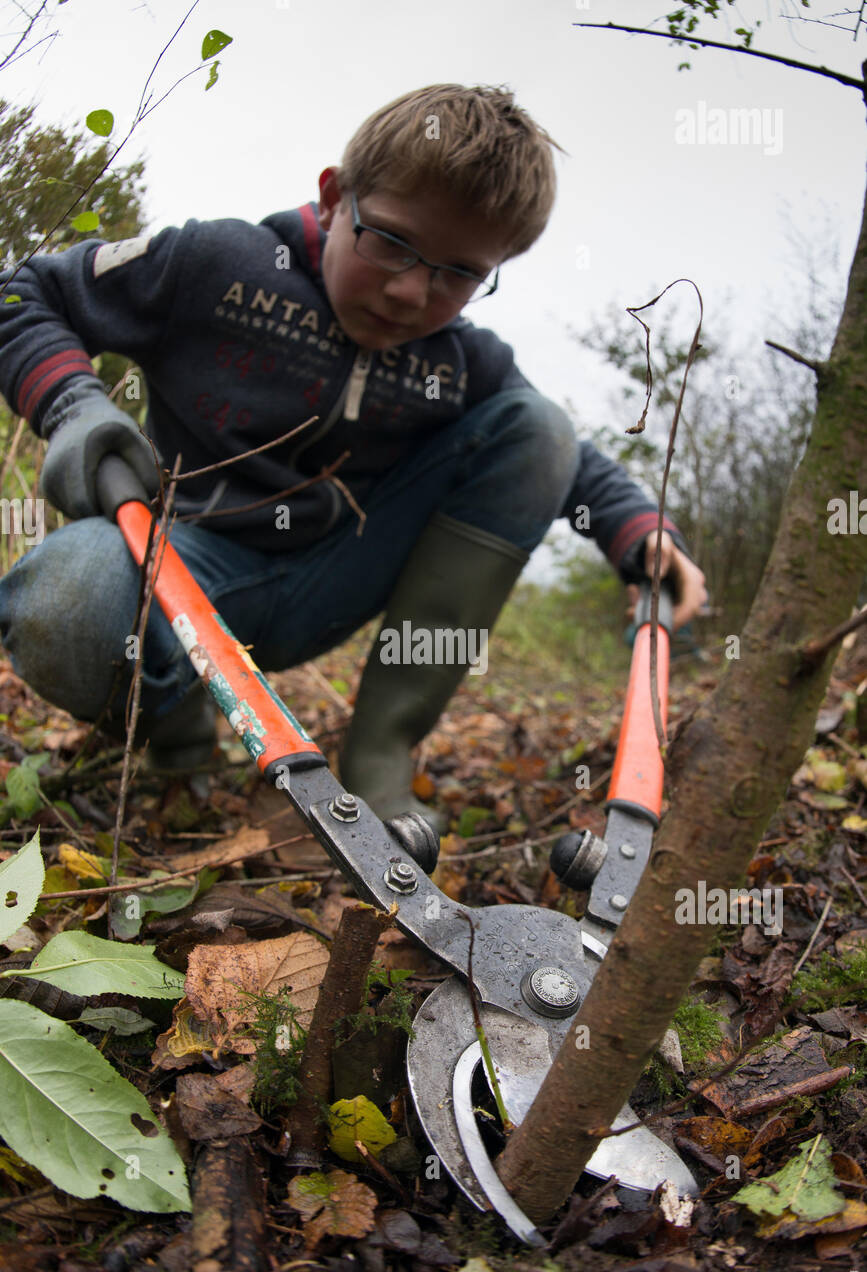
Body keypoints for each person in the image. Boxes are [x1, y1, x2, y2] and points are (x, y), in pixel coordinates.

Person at [0, 83, 707, 832]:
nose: (409, 291)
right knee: (63, 603)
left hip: (335, 580)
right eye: (391, 242)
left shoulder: (465, 363)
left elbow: (564, 456)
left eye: (459, 272)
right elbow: (24, 296)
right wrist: (75, 408)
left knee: (539, 425)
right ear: (335, 198)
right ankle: (177, 732)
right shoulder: (214, 266)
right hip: (178, 574)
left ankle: (378, 763)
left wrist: (640, 533)